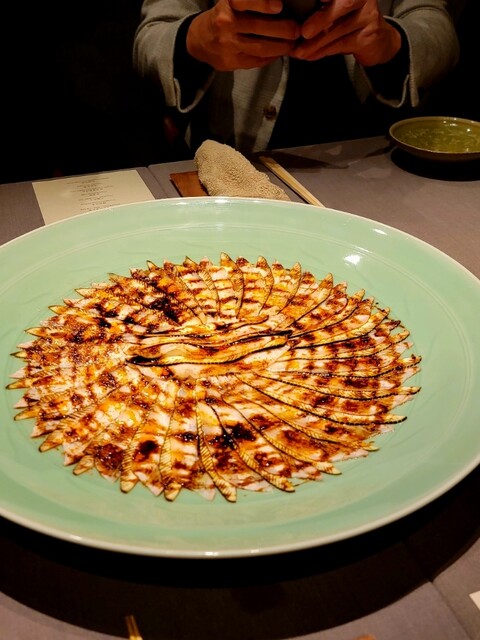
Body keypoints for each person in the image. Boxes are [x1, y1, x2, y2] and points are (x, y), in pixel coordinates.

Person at [132, 0, 460, 155]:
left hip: (372, 161)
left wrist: (390, 43)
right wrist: (195, 40)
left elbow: (437, 27)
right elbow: (150, 40)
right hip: (236, 162)